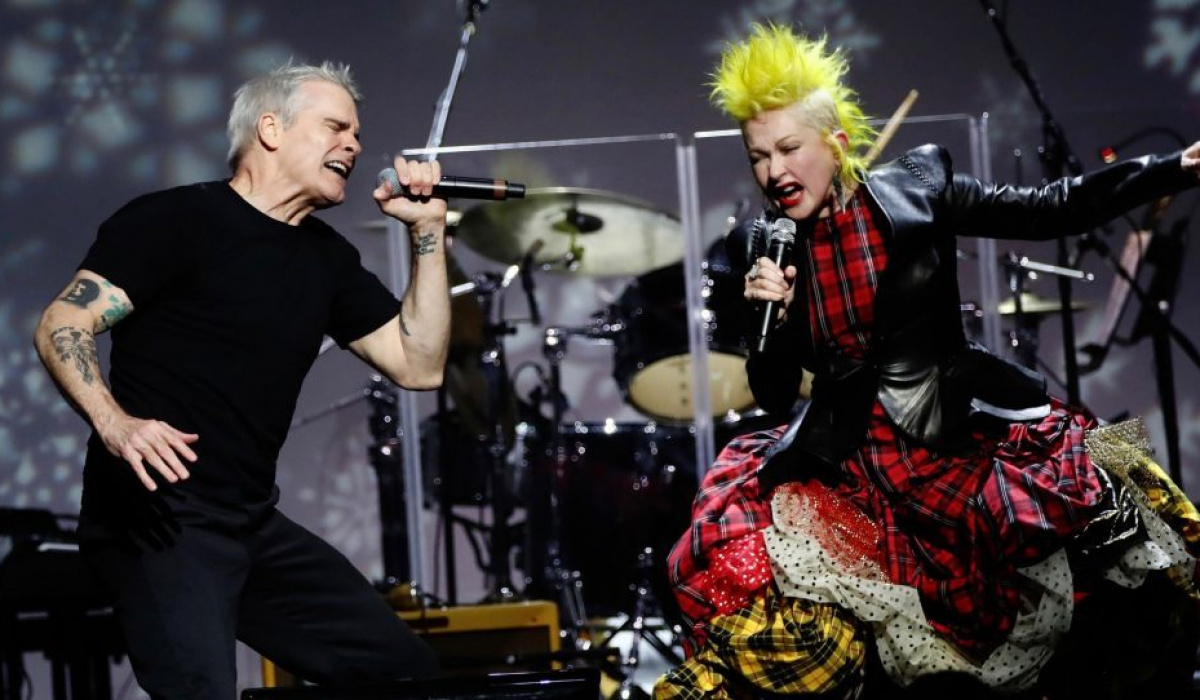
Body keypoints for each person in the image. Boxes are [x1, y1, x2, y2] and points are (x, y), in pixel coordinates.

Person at [656, 23, 1200, 699]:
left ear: (836, 141)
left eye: (788, 148)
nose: (774, 172)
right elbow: (770, 395)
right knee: (817, 653)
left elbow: (1050, 209)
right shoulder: (764, 245)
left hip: (950, 435)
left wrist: (1171, 169)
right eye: (758, 156)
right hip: (852, 463)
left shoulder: (919, 184)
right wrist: (773, 322)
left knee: (1128, 564)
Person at [33, 61, 448, 698]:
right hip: (155, 518)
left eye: (358, 135)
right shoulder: (176, 220)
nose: (355, 146)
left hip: (249, 521)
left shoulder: (326, 260)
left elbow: (420, 365)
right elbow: (64, 322)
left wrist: (427, 237)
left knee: (405, 675)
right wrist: (115, 422)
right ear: (271, 128)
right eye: (336, 127)